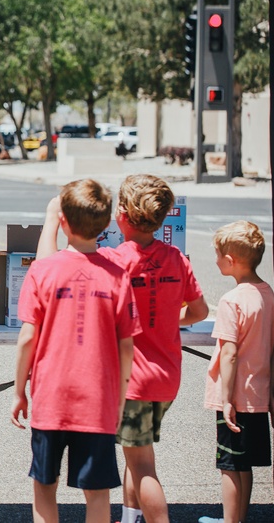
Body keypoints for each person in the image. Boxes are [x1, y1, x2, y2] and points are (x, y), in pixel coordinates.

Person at [37, 174, 208, 523]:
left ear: (122, 216)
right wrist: (167, 321)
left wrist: (52, 218)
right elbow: (200, 311)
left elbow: (52, 267)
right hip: (167, 375)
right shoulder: (176, 257)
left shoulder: (115, 260)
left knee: (142, 464)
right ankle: (130, 518)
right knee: (136, 451)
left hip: (134, 381)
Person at [11, 179, 139, 523]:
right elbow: (126, 347)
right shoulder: (118, 276)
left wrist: (19, 390)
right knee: (97, 493)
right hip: (98, 400)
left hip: (51, 397)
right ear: (106, 224)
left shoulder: (42, 271)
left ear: (62, 221)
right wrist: (120, 401)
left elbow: (27, 338)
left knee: (44, 487)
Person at [197, 221, 274, 523]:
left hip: (235, 397)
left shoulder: (231, 301)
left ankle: (229, 520)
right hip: (258, 393)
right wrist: (271, 393)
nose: (216, 260)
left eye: (218, 255)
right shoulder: (267, 294)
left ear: (231, 260)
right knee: (245, 465)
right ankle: (239, 519)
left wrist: (226, 399)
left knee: (229, 465)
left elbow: (229, 353)